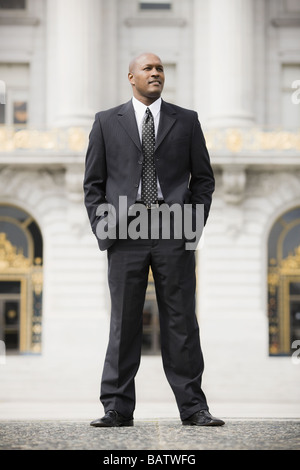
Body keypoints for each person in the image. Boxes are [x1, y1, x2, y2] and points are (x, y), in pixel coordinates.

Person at [83, 52, 224, 427]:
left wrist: (191, 223)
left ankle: (193, 407)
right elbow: (93, 185)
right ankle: (116, 407)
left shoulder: (187, 121)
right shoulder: (105, 122)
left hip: (172, 229)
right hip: (124, 231)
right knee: (124, 321)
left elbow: (204, 179)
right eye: (148, 68)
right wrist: (105, 228)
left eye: (160, 68)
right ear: (131, 76)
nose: (156, 73)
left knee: (181, 321)